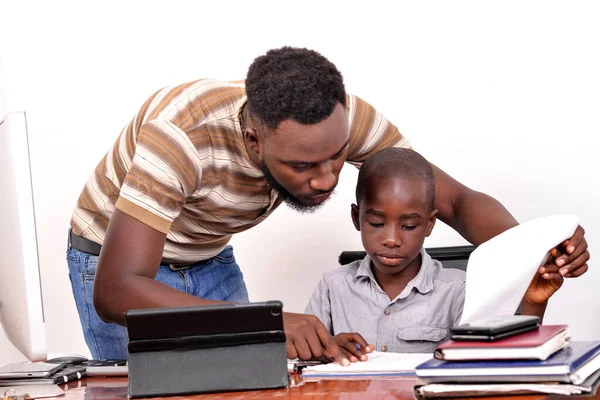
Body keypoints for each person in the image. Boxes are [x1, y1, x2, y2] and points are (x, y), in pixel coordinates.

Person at [66, 46, 589, 363]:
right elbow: (118, 292)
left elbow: (451, 198)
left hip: (207, 253)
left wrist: (535, 251)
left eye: (338, 157)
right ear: (253, 141)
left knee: (247, 387)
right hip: (116, 260)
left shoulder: (339, 118)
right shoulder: (180, 136)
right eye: (302, 167)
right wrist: (269, 322)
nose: (327, 179)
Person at [305, 147, 568, 357]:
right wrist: (326, 350)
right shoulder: (332, 287)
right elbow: (301, 364)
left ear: (430, 223)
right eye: (376, 223)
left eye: (409, 226)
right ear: (356, 217)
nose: (392, 239)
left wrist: (535, 304)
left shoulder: (459, 290)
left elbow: (498, 362)